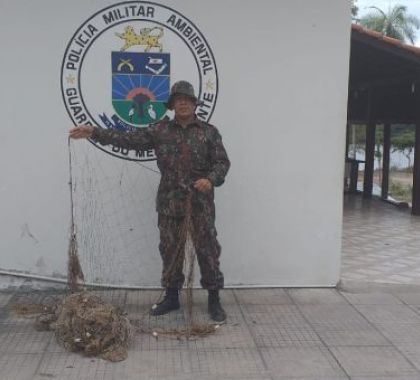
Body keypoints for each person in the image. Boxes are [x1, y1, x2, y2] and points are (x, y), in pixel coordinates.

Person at [69, 81, 230, 322]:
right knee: (169, 251)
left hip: (200, 205)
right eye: (178, 100)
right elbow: (128, 140)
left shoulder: (209, 132)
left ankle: (214, 300)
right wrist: (95, 132)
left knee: (207, 250)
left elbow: (222, 163)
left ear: (195, 103)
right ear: (173, 105)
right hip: (169, 204)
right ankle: (172, 297)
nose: (183, 103)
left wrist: (210, 179)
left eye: (187, 99)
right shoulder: (160, 130)